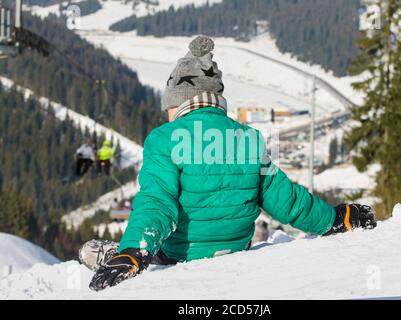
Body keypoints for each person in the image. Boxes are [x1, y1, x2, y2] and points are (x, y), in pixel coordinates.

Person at [80, 36, 377, 291]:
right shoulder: (248, 137)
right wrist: (336, 217)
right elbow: (284, 199)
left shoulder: (164, 138)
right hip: (236, 249)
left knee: (92, 251)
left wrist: (135, 251)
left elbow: (157, 202)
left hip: (179, 255)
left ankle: (116, 253)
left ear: (180, 101)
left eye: (168, 105)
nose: (166, 113)